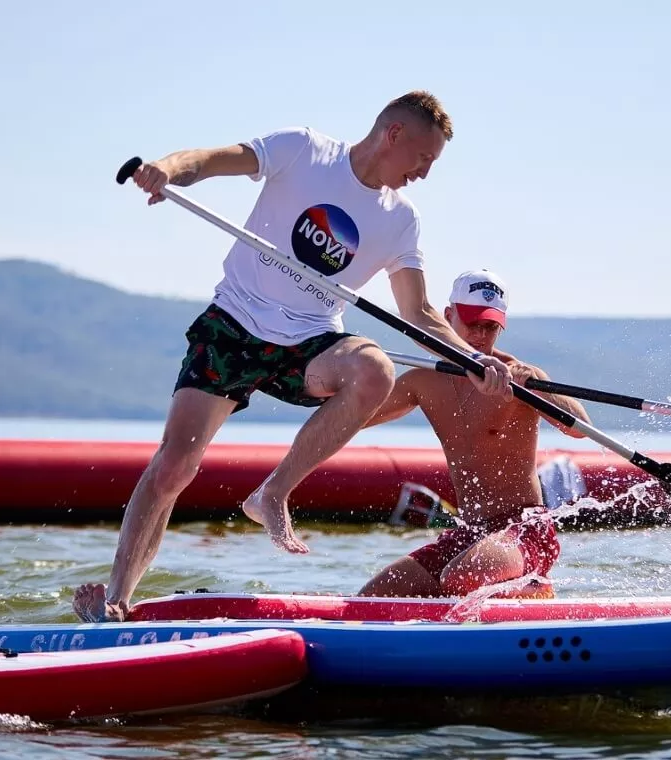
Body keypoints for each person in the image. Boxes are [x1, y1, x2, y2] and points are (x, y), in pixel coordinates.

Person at [73, 92, 513, 623]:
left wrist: (472, 358)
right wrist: (165, 169)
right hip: (234, 324)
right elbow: (212, 160)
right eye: (424, 159)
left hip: (308, 341)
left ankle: (273, 493)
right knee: (174, 467)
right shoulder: (304, 151)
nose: (424, 173)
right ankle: (117, 601)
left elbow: (418, 310)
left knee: (374, 369)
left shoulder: (401, 220)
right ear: (393, 134)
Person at [358, 270, 592, 599]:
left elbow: (579, 428)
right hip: (471, 532)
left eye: (490, 326)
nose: (480, 335)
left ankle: (534, 590)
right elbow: (352, 418)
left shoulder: (519, 377)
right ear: (449, 317)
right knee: (375, 595)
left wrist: (540, 390)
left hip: (524, 528)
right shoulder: (423, 381)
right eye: (472, 324)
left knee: (461, 578)